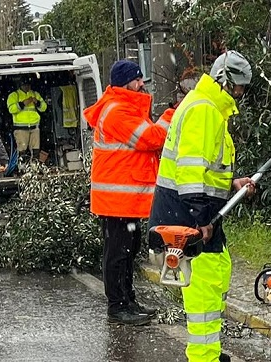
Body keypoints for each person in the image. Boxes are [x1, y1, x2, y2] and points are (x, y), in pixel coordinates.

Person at [147, 50, 256, 362]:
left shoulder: (208, 108)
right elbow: (191, 173)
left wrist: (232, 182)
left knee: (216, 274)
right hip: (187, 214)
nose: (240, 94)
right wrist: (200, 221)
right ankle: (203, 356)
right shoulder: (204, 110)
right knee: (202, 290)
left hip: (193, 210)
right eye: (237, 87)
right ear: (223, 81)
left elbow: (208, 168)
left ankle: (209, 351)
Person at [83, 60, 171, 326]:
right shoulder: (117, 111)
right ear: (125, 83)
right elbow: (153, 139)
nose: (141, 84)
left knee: (127, 252)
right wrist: (171, 116)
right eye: (137, 79)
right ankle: (118, 306)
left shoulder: (123, 109)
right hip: (116, 200)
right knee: (118, 254)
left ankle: (127, 300)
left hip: (124, 200)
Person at [7, 79, 47, 160]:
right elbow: (11, 109)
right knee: (22, 151)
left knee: (36, 150)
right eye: (24, 85)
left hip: (34, 127)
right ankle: (23, 169)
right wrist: (22, 104)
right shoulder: (14, 95)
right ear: (20, 85)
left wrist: (38, 102)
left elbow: (44, 107)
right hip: (21, 128)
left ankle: (35, 167)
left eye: (28, 85)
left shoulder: (35, 94)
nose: (27, 87)